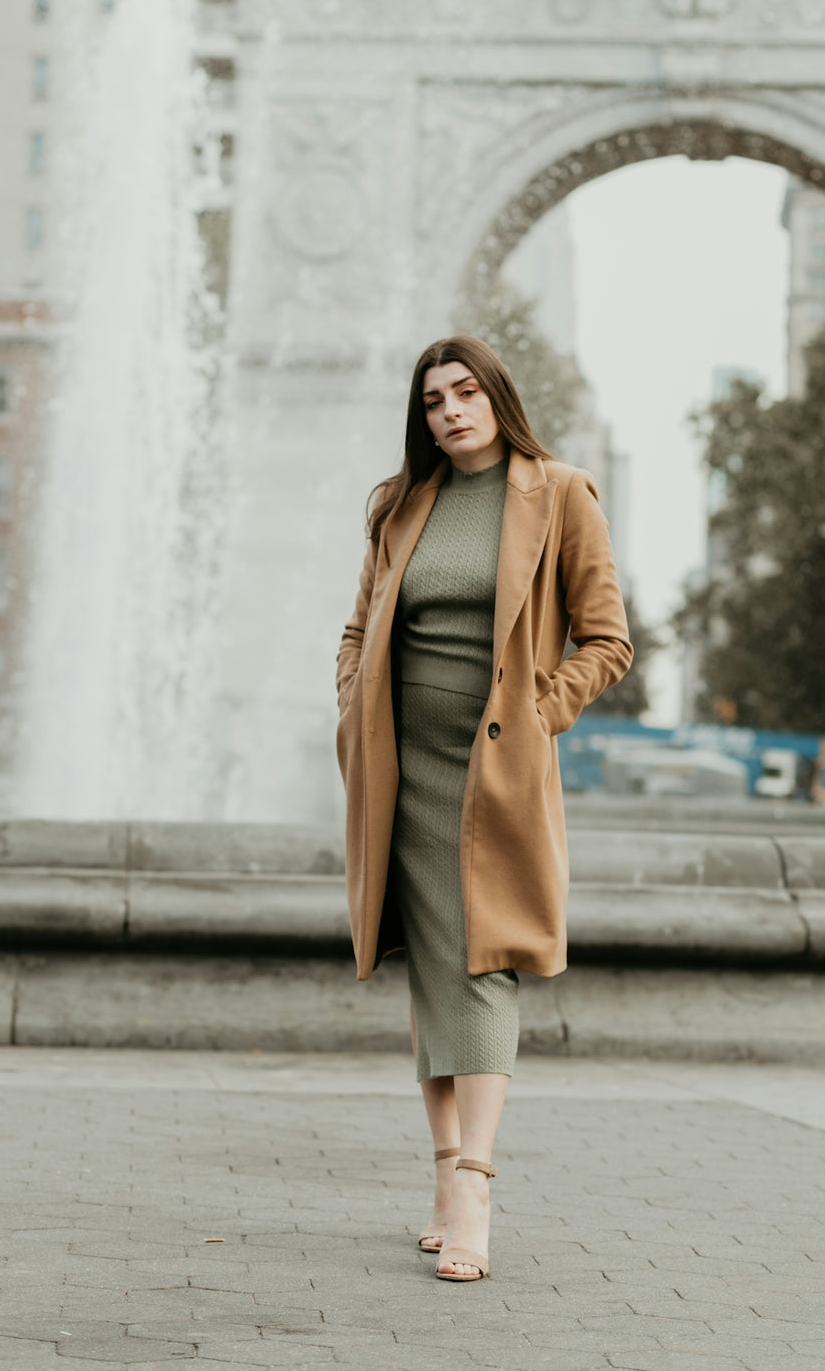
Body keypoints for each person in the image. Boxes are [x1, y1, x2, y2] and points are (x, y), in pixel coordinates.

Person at [335, 335, 632, 1282]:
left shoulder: (561, 492)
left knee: (484, 962)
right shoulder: (399, 504)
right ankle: (440, 1177)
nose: (452, 411)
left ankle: (476, 1184)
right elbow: (360, 623)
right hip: (400, 769)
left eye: (466, 392)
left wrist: (543, 714)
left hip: (494, 772)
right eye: (433, 401)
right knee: (430, 967)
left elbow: (607, 638)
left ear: (498, 396)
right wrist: (350, 701)